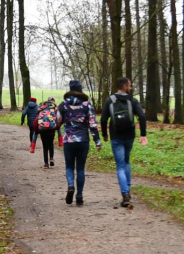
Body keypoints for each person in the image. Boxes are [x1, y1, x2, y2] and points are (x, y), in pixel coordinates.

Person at [101, 76, 147, 208]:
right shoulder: (132, 100)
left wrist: (104, 134)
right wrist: (143, 134)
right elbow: (142, 117)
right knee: (126, 162)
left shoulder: (110, 100)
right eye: (130, 85)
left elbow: (104, 119)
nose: (131, 88)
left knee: (120, 165)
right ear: (125, 87)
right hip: (129, 136)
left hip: (116, 136)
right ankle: (127, 190)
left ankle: (125, 194)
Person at [58, 79, 100, 206]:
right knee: (80, 168)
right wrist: (97, 140)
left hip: (69, 141)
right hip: (83, 141)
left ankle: (71, 186)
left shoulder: (63, 105)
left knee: (69, 167)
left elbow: (57, 121)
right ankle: (79, 196)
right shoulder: (87, 105)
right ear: (81, 89)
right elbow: (92, 124)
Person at [35, 97, 60, 168]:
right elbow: (58, 118)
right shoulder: (55, 108)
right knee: (51, 144)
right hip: (51, 128)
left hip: (43, 129)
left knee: (45, 146)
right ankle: (51, 158)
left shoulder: (43, 107)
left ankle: (46, 163)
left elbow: (37, 113)